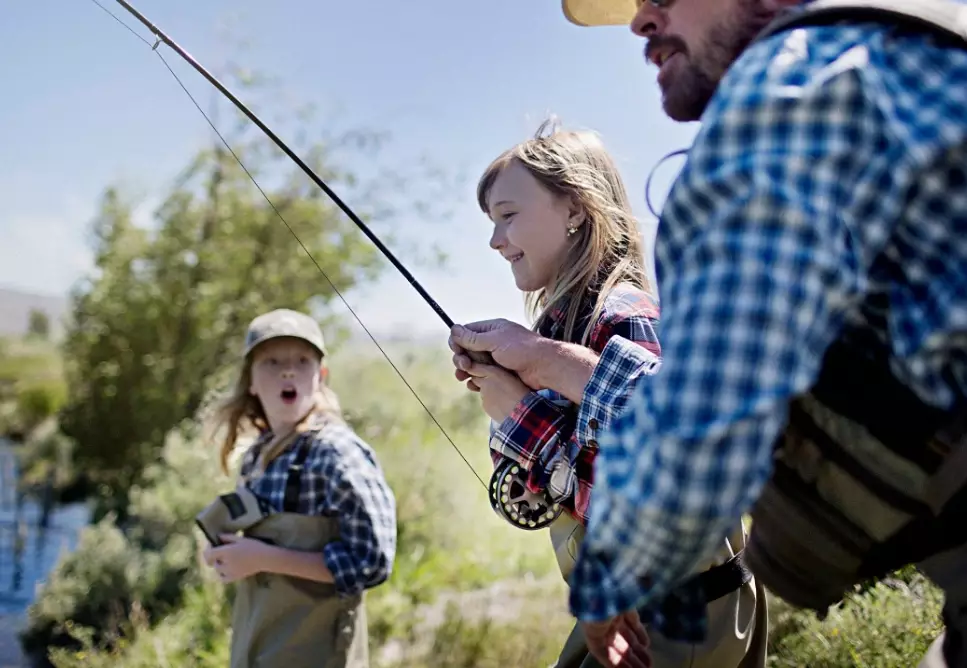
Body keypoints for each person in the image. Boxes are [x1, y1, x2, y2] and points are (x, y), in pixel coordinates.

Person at [452, 0, 967, 666]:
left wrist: (526, 406)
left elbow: (707, 458)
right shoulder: (917, 58)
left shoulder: (784, 92)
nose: (640, 22)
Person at [449, 119, 768, 668]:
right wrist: (509, 405)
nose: (496, 241)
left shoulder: (624, 316)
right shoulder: (560, 331)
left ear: (575, 209)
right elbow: (545, 499)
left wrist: (524, 414)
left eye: (508, 216)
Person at [195, 308, 397, 668]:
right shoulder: (256, 455)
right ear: (251, 381)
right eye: (271, 362)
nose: (288, 370)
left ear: (320, 377)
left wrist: (261, 557)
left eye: (302, 361)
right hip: (258, 649)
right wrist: (230, 556)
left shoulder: (337, 453)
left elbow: (372, 563)